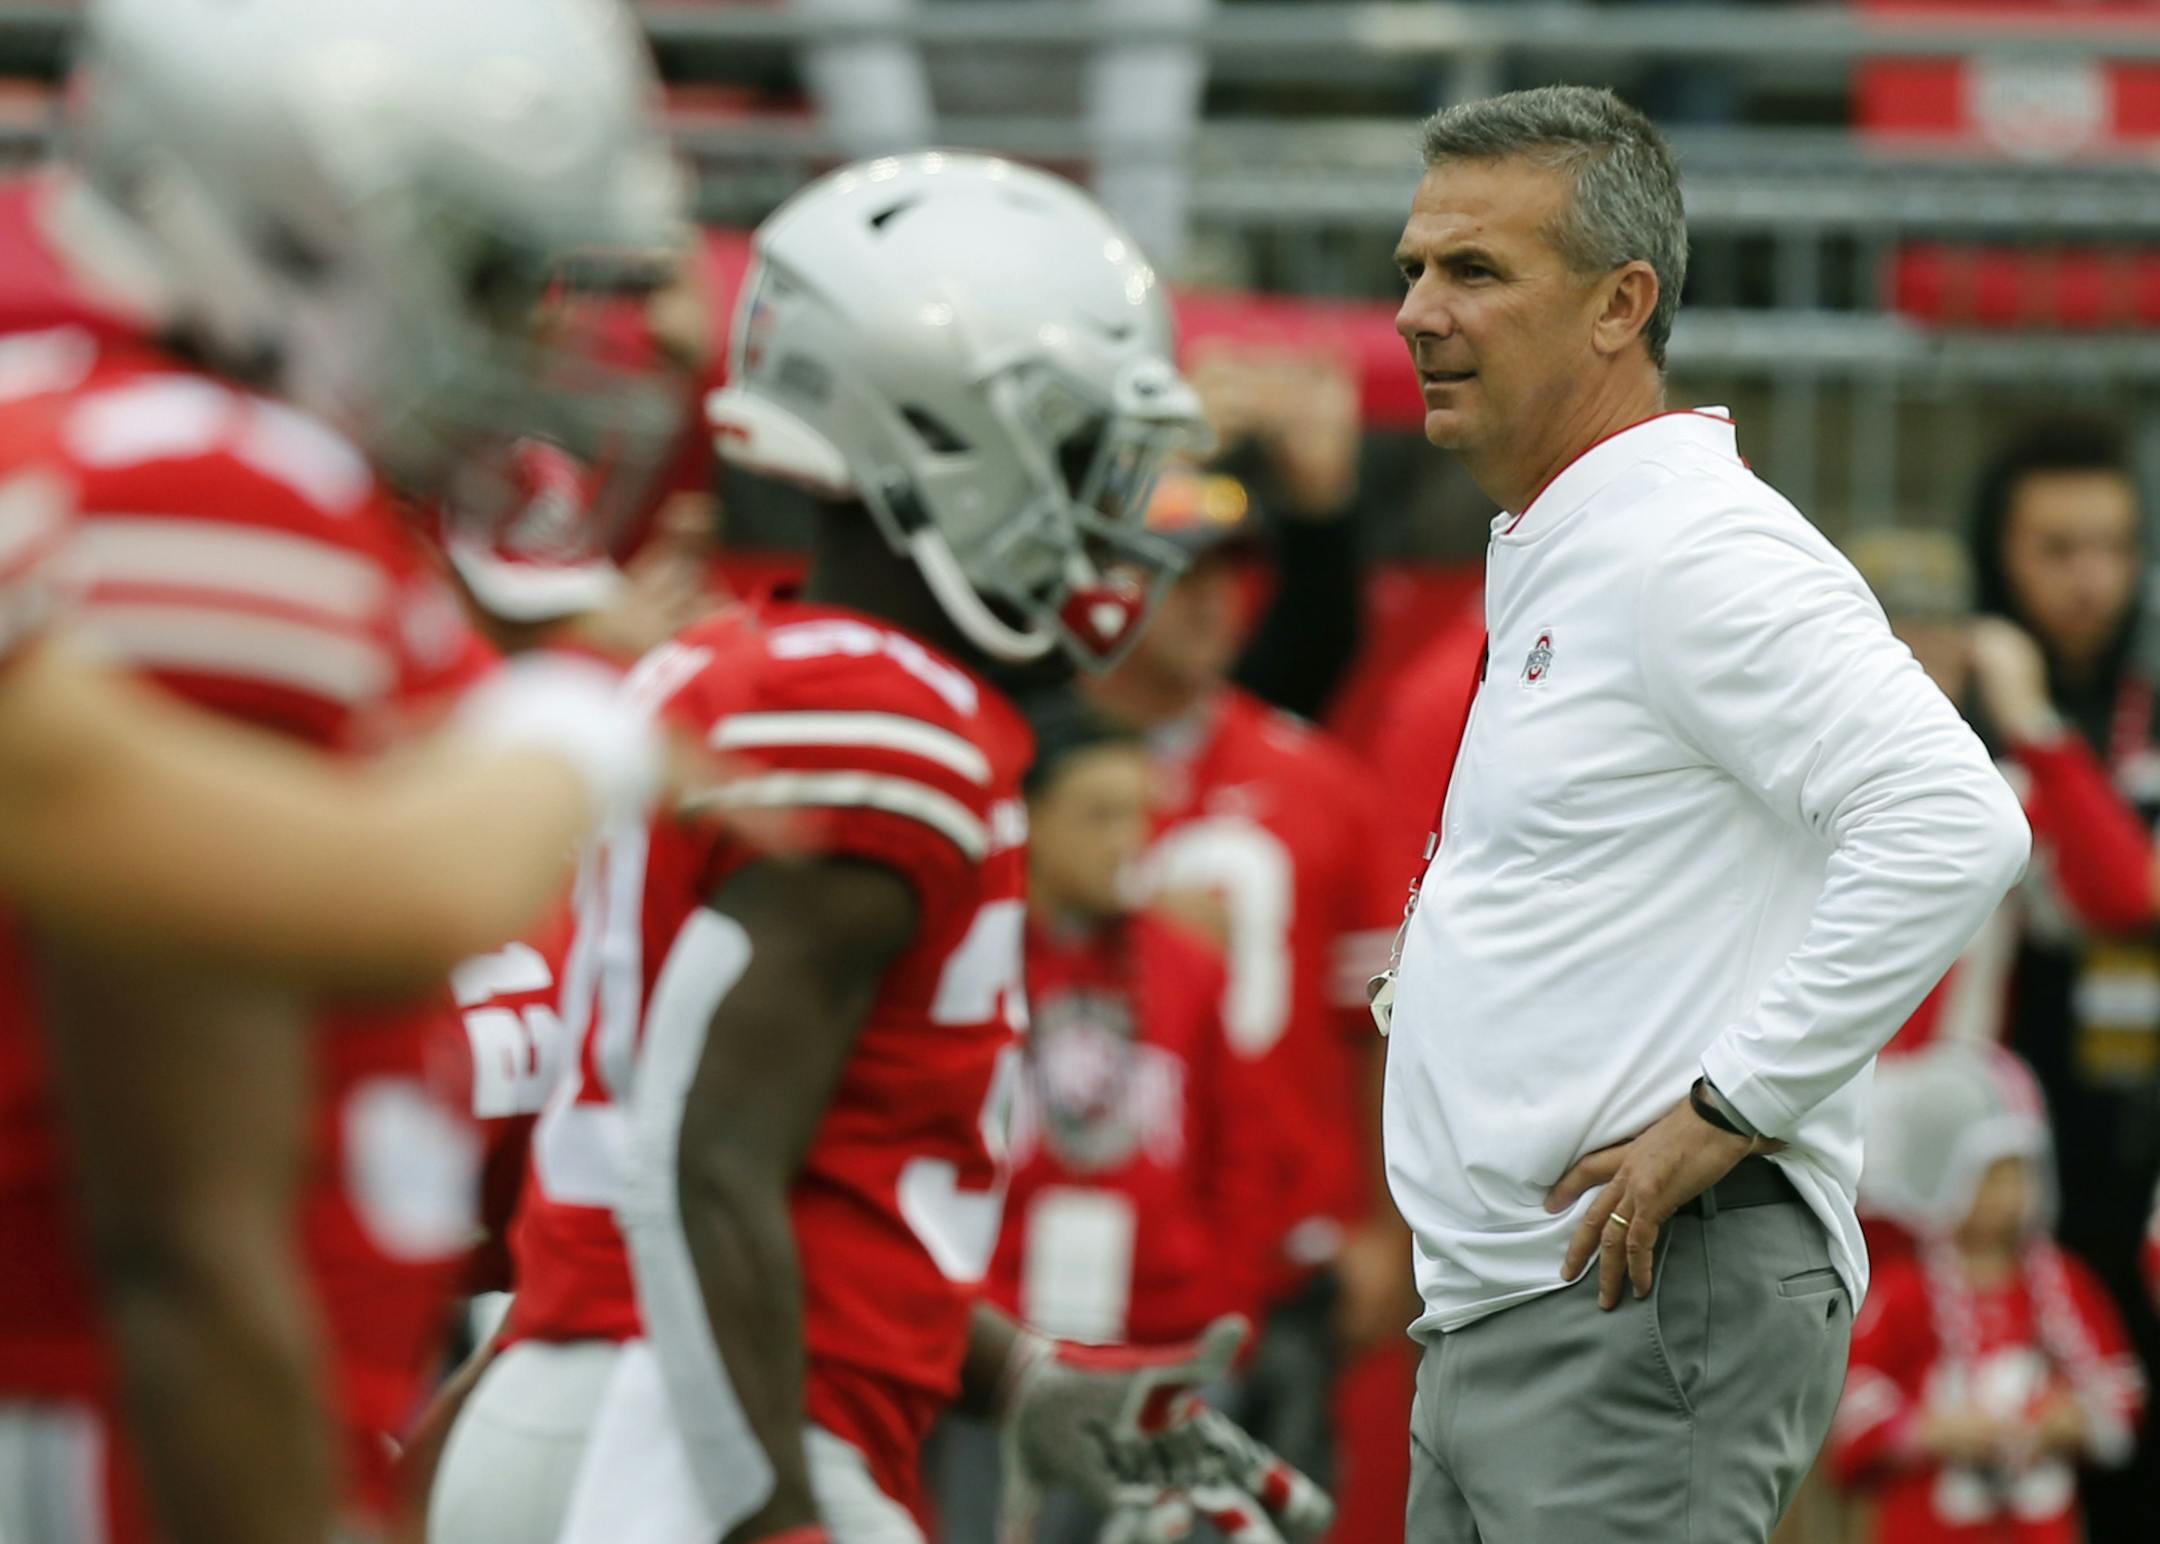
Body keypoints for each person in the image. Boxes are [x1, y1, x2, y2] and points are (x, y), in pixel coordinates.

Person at [429, 152, 1330, 1544]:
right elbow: (693, 1154)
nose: (1117, 512)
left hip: (646, 1405)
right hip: (700, 1435)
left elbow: (773, 1179)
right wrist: (776, 1508)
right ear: (949, 436)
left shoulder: (782, 671)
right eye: (1086, 451)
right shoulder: (879, 715)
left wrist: (1018, 1379)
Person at [0, 2, 687, 1540]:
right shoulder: (193, 475)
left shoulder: (102, 433)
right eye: (492, 276)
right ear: (288, 226)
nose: (535, 342)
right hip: (104, 1452)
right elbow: (182, 1227)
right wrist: (577, 726)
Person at [1378, 85, 2028, 1541]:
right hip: (1523, 1313)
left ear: (1623, 304)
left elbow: (1953, 818)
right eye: (1413, 268)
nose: (1419, 311)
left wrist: (1733, 1102)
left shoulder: (1692, 551)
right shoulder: (1585, 541)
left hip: (1636, 1304)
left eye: (1474, 270)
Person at [1083, 466, 1409, 1501]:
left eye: (1232, 568)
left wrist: (1383, 1225)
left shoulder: (1317, 783)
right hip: (1078, 1244)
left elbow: (1376, 1027)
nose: (1216, 596)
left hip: (1282, 1260)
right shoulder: (1031, 771)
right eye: (1178, 571)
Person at [930, 694, 1294, 1542]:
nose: (1126, 839)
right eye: (1096, 815)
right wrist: (968, 1326)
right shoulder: (964, 969)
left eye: (1138, 814)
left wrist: (1217, 1315)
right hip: (1002, 1362)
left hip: (1165, 1359)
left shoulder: (1187, 970)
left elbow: (1241, 1154)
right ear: (1027, 823)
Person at [1965, 415, 2160, 1535]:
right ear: (2001, 555)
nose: (2093, 578)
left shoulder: (2145, 702)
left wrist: (2043, 730)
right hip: (2001, 1160)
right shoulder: (1942, 714)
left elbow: (2129, 894)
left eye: (2115, 546)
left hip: (2140, 1143)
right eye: (2058, 548)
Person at [1830, 1043, 2144, 1543]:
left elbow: (2120, 1385)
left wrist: (2071, 1418)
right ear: (1939, 1174)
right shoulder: (1904, 1291)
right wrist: (1930, 1429)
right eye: (1990, 1174)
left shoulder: (2063, 1282)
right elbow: (1851, 1404)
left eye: (2021, 1172)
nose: (2008, 1195)